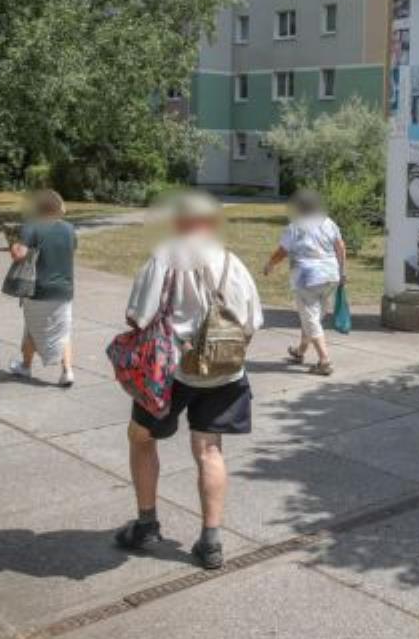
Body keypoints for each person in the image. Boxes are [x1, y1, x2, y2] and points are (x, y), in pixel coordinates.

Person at [114, 191, 262, 570]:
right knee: (210, 450)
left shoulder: (164, 258)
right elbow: (252, 322)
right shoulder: (232, 262)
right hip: (224, 372)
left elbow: (138, 316)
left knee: (140, 438)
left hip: (171, 372)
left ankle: (146, 525)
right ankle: (210, 542)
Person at [263, 189, 346, 376]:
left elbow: (282, 251)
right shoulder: (329, 223)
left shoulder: (295, 226)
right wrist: (343, 272)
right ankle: (300, 351)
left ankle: (324, 361)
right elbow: (340, 246)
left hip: (307, 279)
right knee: (312, 317)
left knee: (311, 319)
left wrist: (269, 264)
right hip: (331, 276)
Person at [8, 190, 77, 387]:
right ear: (58, 207)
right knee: (63, 331)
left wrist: (13, 245)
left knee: (31, 329)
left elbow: (19, 255)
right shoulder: (69, 229)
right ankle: (67, 371)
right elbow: (71, 251)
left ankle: (25, 367)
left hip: (38, 289)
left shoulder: (32, 227)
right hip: (64, 290)